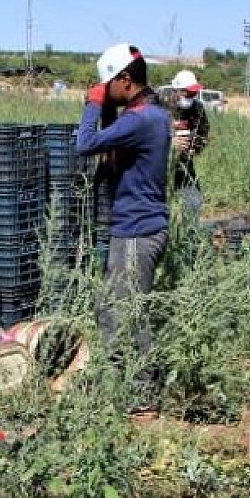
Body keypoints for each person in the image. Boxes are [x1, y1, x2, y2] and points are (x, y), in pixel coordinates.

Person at [77, 44, 171, 388]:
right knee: (113, 308)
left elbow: (85, 143)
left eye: (109, 84)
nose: (105, 91)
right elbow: (112, 146)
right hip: (141, 227)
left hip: (136, 231)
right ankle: (122, 383)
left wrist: (93, 103)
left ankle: (142, 389)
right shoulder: (153, 114)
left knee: (127, 315)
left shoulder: (139, 120)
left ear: (126, 80)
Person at [165, 69, 212, 218]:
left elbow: (203, 133)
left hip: (183, 166)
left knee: (194, 202)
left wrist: (196, 146)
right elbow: (145, 138)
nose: (192, 96)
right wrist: (169, 143)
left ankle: (189, 230)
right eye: (188, 93)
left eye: (194, 93)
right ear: (177, 90)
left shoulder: (197, 108)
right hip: (159, 167)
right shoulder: (160, 106)